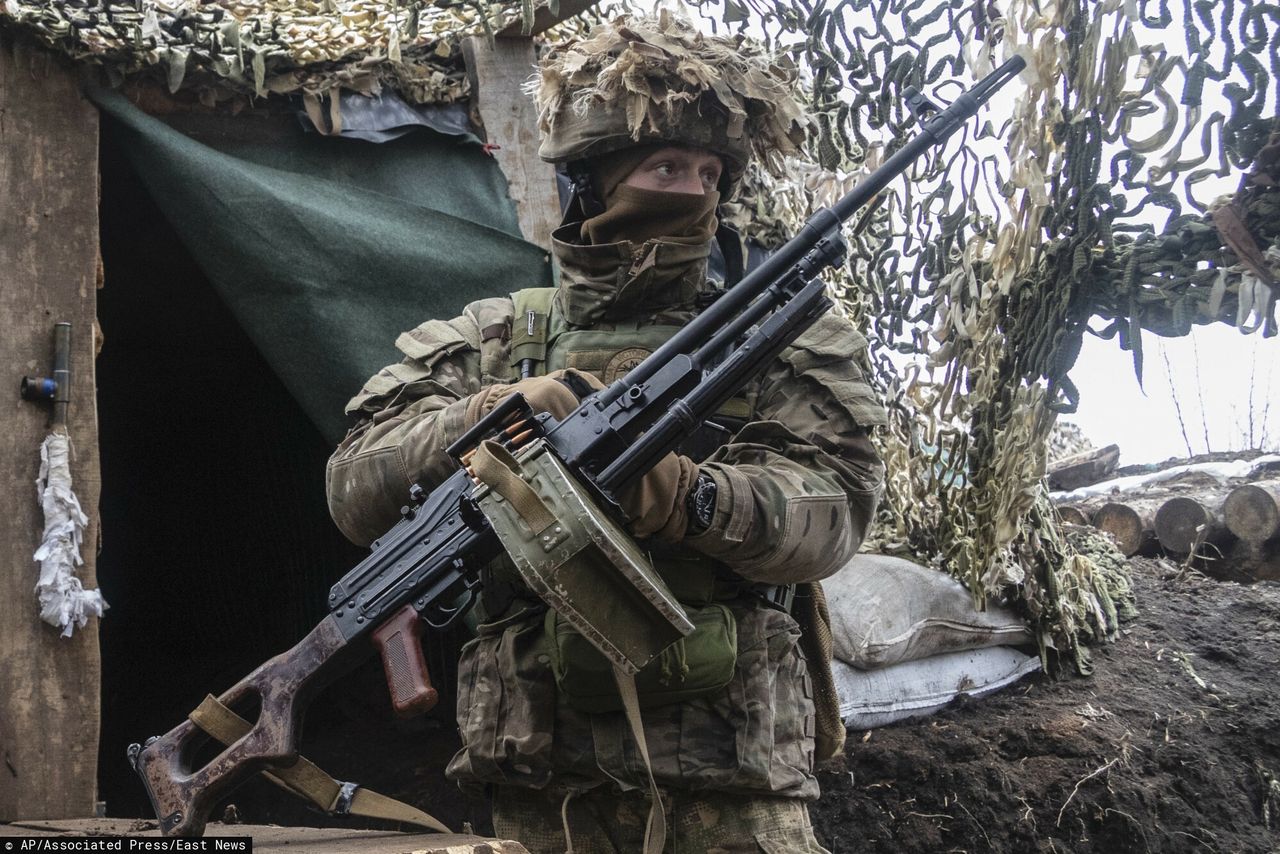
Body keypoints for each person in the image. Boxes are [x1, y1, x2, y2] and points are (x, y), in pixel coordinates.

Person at [326, 11, 886, 853]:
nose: (692, 192)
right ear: (591, 177)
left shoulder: (783, 337)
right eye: (664, 165)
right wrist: (482, 420)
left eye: (709, 170)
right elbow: (354, 485)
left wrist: (690, 498)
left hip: (730, 784)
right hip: (539, 784)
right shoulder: (492, 340)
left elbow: (835, 513)